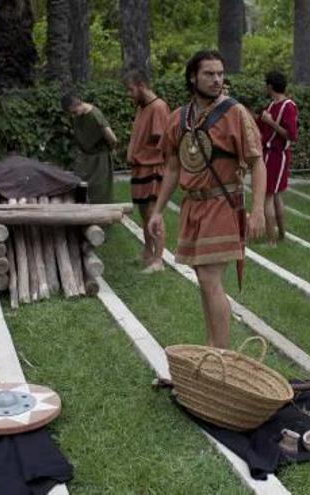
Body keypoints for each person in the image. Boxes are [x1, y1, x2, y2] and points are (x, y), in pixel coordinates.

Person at [148, 50, 267, 349]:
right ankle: (214, 344)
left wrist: (259, 211)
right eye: (209, 74)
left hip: (222, 204)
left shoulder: (235, 113)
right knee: (203, 278)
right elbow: (173, 168)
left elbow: (257, 162)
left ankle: (221, 354)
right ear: (193, 77)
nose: (217, 80)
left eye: (220, 73)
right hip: (193, 206)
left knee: (210, 279)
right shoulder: (178, 118)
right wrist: (158, 211)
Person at [123, 69, 171, 274]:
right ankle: (147, 252)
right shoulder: (142, 107)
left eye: (131, 89)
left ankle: (158, 260)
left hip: (152, 168)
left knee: (153, 212)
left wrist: (141, 154)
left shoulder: (158, 107)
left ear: (142, 85)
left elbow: (161, 140)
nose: (129, 94)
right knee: (144, 213)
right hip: (140, 168)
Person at [257, 71, 298, 244]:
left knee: (268, 196)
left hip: (276, 154)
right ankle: (281, 235)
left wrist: (271, 122)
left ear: (270, 86)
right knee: (275, 195)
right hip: (271, 153)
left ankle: (271, 240)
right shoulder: (273, 104)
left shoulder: (287, 106)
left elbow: (291, 135)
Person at [62, 93, 117, 204]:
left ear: (79, 104)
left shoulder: (95, 115)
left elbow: (113, 139)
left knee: (99, 192)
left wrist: (110, 149)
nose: (73, 116)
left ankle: (100, 218)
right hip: (84, 157)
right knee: (80, 187)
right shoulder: (78, 115)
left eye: (74, 112)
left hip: (99, 158)